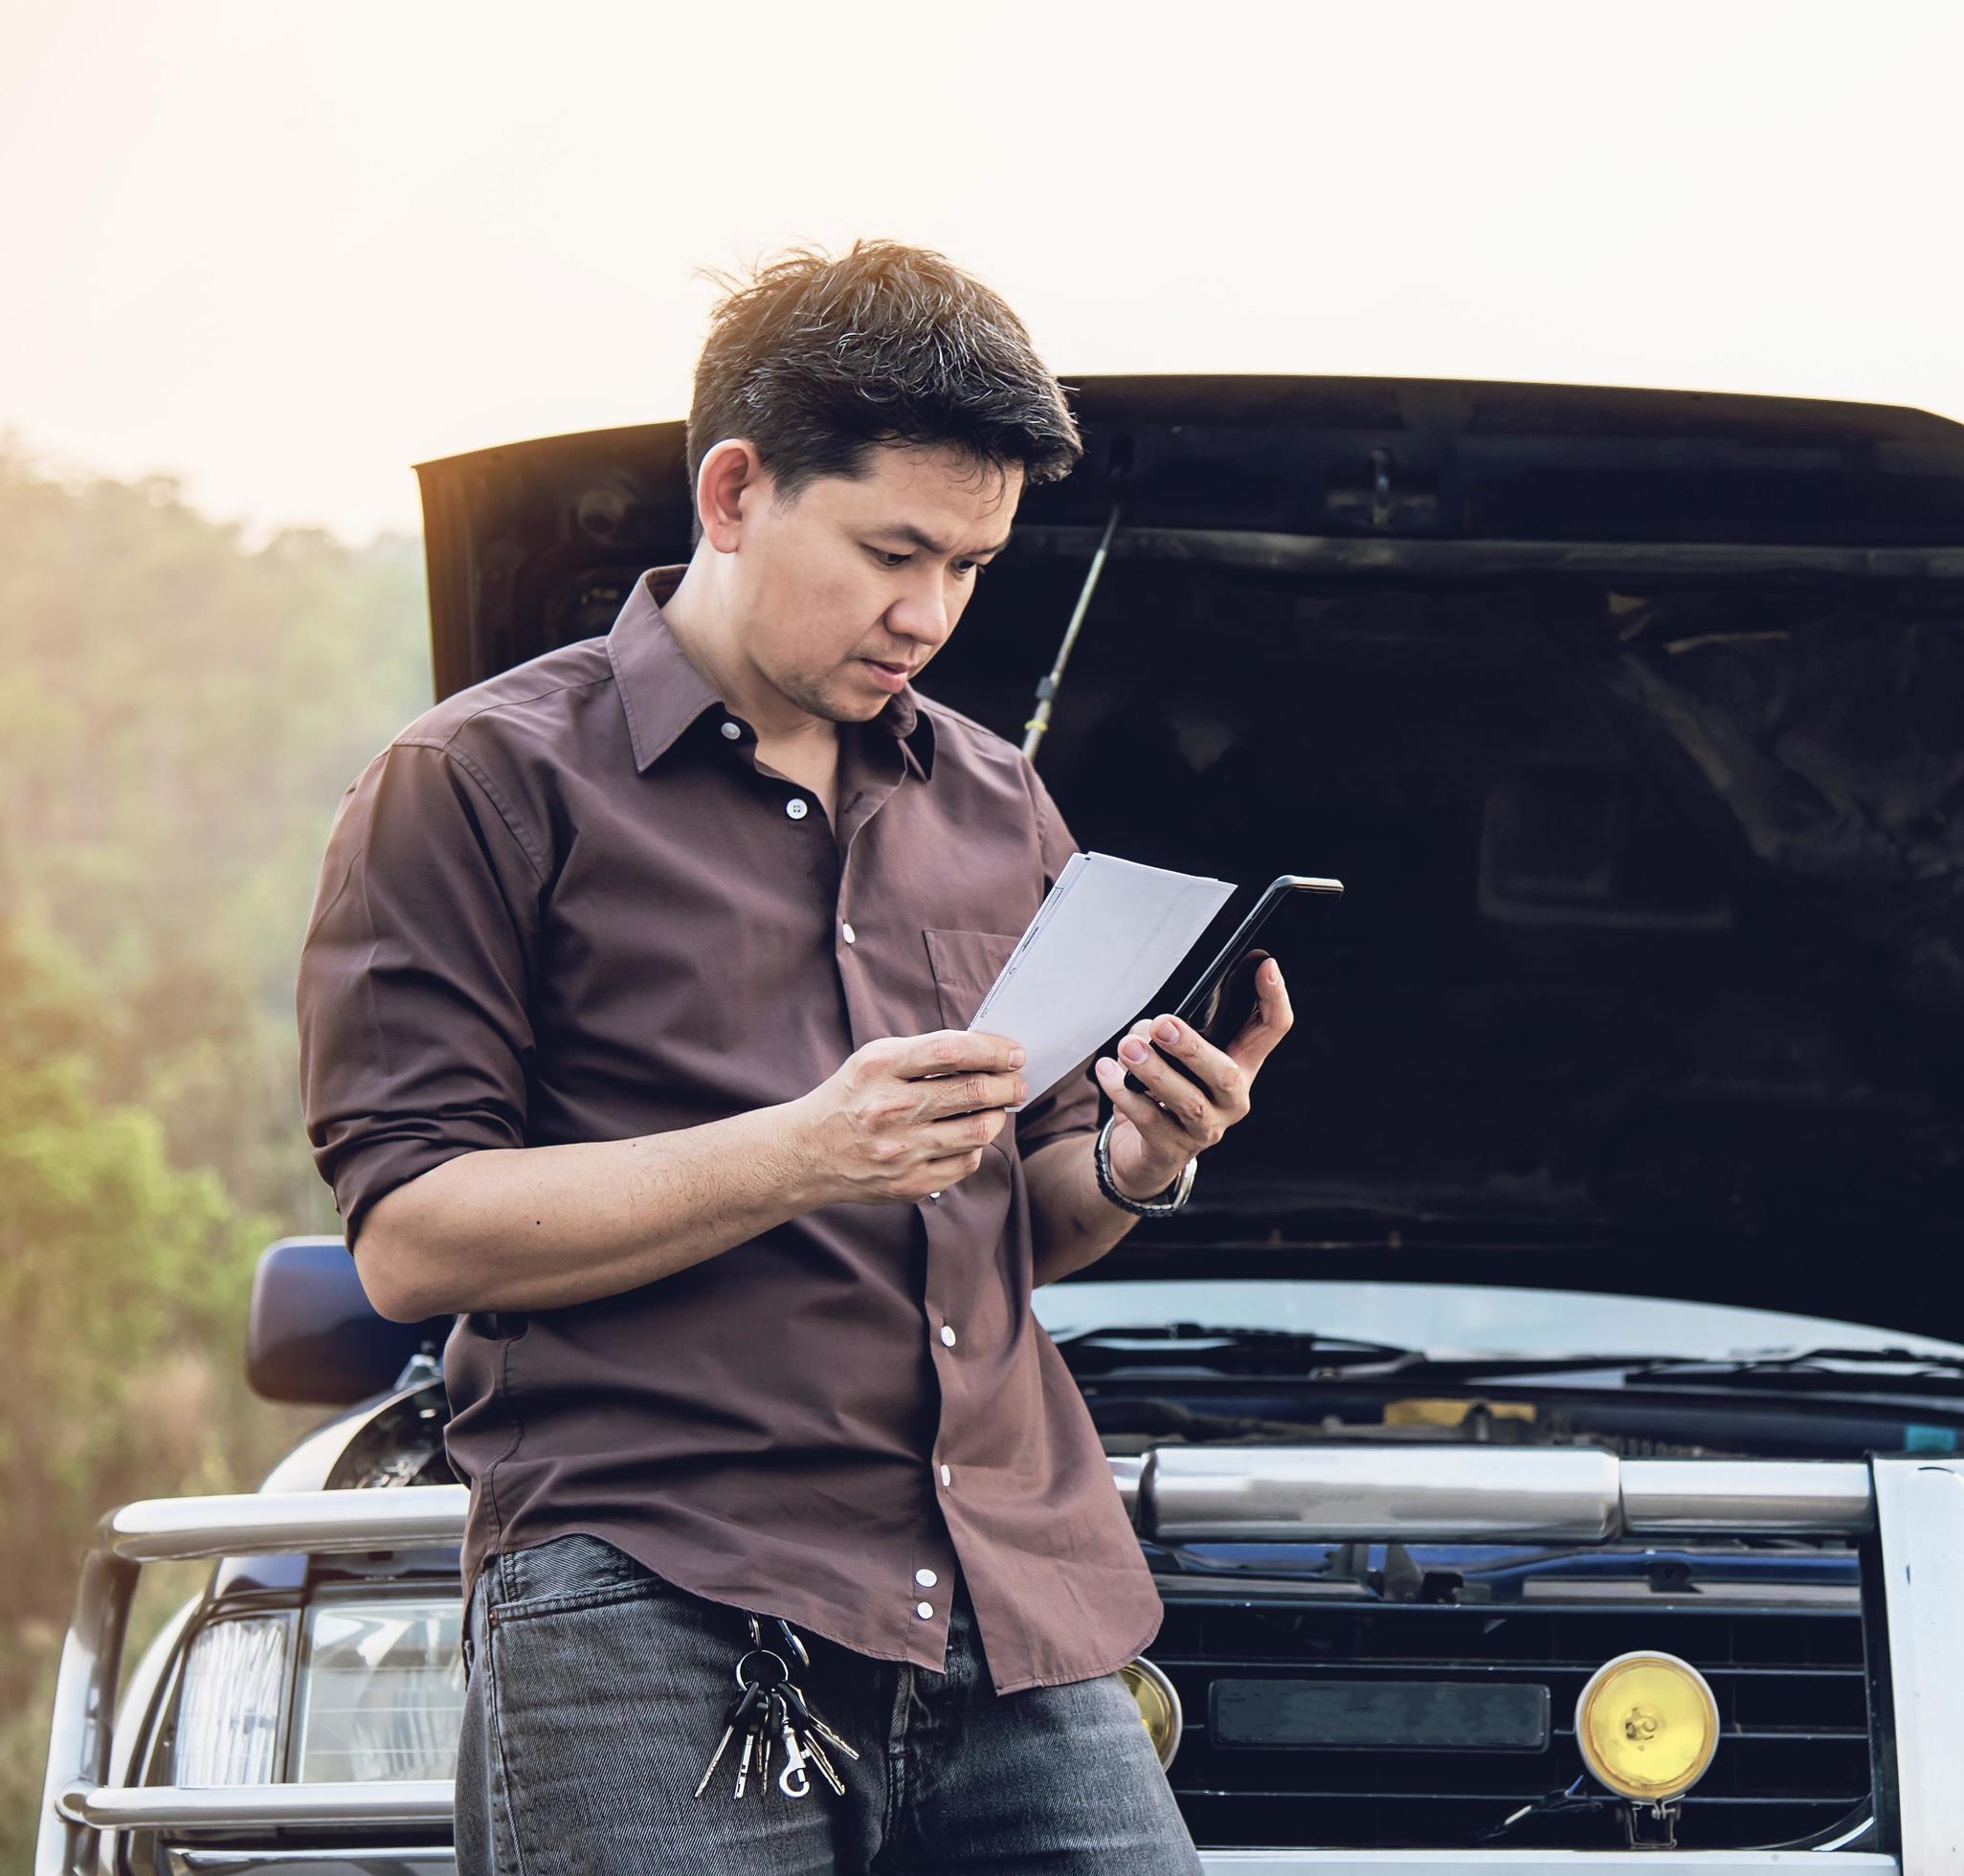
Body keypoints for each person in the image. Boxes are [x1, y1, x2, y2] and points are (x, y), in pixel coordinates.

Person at [296, 239, 1288, 1873]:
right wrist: (803, 1150)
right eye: (895, 551)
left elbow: (1013, 1217)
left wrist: (1134, 1159)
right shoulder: (471, 784)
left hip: (1014, 1606)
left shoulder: (998, 803)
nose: (931, 613)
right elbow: (413, 1241)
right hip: (650, 1614)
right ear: (737, 489)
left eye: (972, 565)